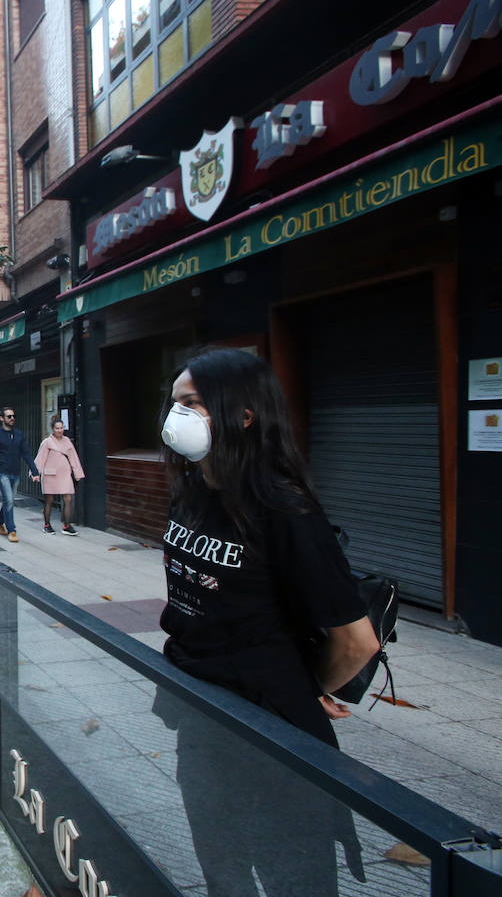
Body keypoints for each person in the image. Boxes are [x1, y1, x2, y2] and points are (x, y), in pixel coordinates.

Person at [155, 348, 378, 895]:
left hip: (270, 736)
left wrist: (299, 693)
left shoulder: (284, 509)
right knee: (222, 870)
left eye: (193, 403)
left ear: (244, 416)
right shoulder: (193, 493)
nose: (176, 415)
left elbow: (357, 641)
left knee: (293, 877)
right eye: (175, 402)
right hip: (201, 718)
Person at [0, 407, 41, 543]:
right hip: (1, 473)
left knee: (7, 500)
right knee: (9, 500)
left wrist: (35, 471)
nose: (12, 418)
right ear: (2, 418)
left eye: (13, 416)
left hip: (15, 473)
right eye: (9, 416)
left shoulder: (19, 435)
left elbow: (26, 453)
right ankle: (12, 530)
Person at [35, 419, 86, 535]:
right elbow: (40, 459)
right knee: (49, 500)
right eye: (57, 428)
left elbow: (74, 458)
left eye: (61, 428)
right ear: (52, 429)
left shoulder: (67, 441)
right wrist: (35, 473)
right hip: (50, 475)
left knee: (68, 499)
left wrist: (77, 473)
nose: (59, 430)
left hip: (64, 474)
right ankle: (47, 525)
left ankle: (67, 525)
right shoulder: (47, 442)